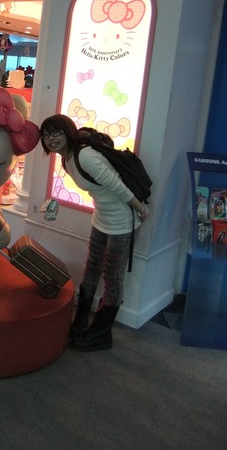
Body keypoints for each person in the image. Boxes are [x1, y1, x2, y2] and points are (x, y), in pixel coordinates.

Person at [39, 114, 149, 352]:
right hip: (101, 217)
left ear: (68, 132)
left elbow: (118, 186)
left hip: (121, 220)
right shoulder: (67, 159)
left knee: (112, 275)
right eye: (46, 135)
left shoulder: (86, 156)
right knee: (91, 268)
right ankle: (80, 322)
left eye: (57, 132)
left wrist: (141, 209)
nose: (51, 139)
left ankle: (101, 332)